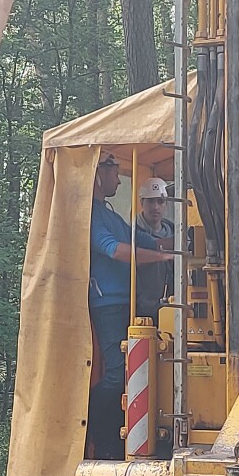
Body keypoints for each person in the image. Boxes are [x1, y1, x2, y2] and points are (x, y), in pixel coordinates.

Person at [89, 152, 173, 460]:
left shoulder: (110, 214)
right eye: (115, 171)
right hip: (109, 303)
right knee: (115, 374)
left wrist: (180, 245)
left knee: (137, 370)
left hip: (128, 301)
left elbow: (143, 241)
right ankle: (98, 435)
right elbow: (115, 250)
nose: (119, 178)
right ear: (98, 173)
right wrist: (162, 258)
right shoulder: (93, 215)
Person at [135, 178, 174, 321]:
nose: (155, 207)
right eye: (150, 201)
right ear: (141, 203)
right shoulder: (130, 233)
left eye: (160, 201)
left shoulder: (177, 231)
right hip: (142, 312)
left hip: (173, 309)